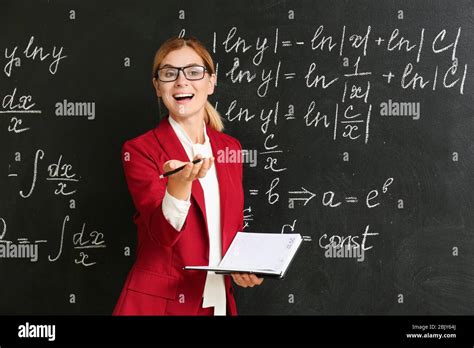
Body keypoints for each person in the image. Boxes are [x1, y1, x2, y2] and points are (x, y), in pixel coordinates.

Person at [113, 36, 263, 316]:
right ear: (158, 87)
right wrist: (178, 186)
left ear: (211, 82)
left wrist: (242, 266)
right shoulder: (139, 150)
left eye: (194, 72)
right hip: (161, 305)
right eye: (169, 74)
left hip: (218, 302)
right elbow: (161, 234)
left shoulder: (230, 148)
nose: (181, 81)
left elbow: (228, 227)